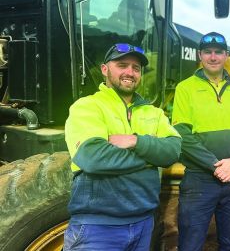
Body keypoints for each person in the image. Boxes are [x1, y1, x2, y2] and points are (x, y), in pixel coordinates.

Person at [63, 43, 182, 251]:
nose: (130, 72)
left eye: (136, 68)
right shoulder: (88, 106)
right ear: (105, 69)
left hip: (144, 224)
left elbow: (173, 150)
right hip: (97, 229)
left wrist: (136, 141)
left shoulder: (154, 112)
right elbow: (93, 158)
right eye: (122, 65)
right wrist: (152, 156)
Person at [172, 32, 230, 251]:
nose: (213, 57)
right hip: (200, 180)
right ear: (200, 55)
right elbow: (182, 133)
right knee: (190, 244)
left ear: (226, 55)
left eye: (218, 52)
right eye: (207, 52)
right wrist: (216, 165)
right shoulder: (185, 88)